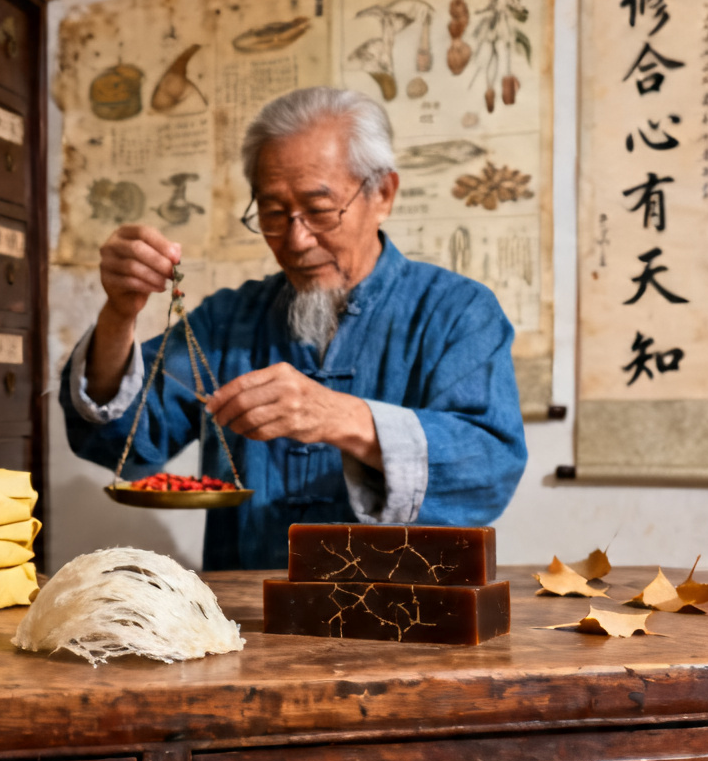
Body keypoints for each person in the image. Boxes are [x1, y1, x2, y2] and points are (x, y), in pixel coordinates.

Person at [60, 85, 528, 570]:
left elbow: (490, 467)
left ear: (383, 194)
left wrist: (343, 418)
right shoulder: (227, 322)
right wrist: (120, 313)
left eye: (320, 210)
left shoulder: (456, 311)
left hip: (404, 616)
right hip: (247, 621)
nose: (296, 240)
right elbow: (122, 445)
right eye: (273, 213)